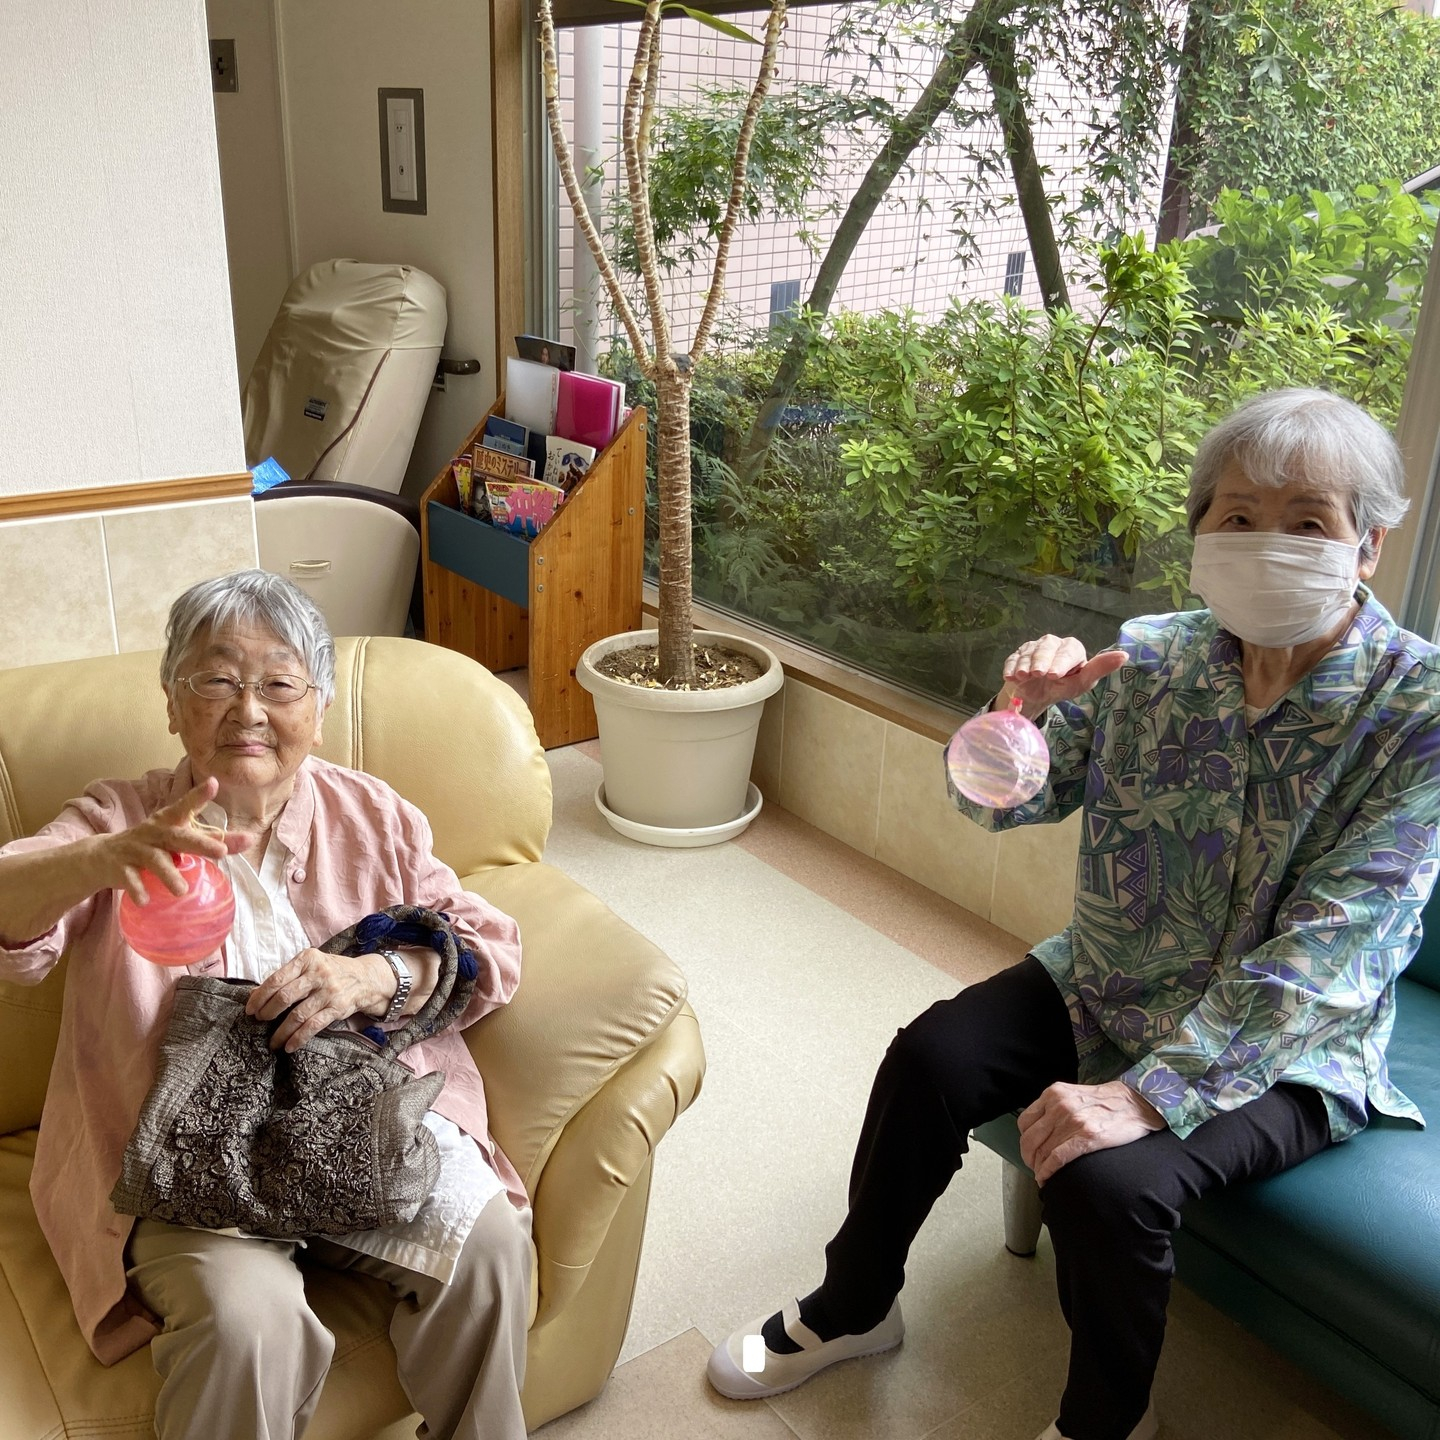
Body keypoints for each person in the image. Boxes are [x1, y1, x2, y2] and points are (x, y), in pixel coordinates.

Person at [707, 387, 1440, 1440]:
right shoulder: (1156, 657)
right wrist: (1019, 718)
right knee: (929, 1058)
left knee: (1108, 1185)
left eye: (1308, 521)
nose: (1267, 540)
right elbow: (1007, 803)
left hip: (1289, 1047)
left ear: (1366, 547)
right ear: (1200, 534)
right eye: (1237, 515)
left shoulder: (1418, 711)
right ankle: (853, 1306)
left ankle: (1104, 1423)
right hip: (1113, 974)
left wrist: (1146, 1096)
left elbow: (1337, 951)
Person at [0, 570, 530, 1440]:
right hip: (182, 1158)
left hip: (359, 1129)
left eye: (279, 684)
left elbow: (490, 947)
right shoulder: (119, 819)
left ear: (317, 709)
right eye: (215, 680)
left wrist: (378, 978)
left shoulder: (375, 815)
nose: (248, 710)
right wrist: (103, 860)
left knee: (490, 1248)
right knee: (250, 1323)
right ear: (172, 704)